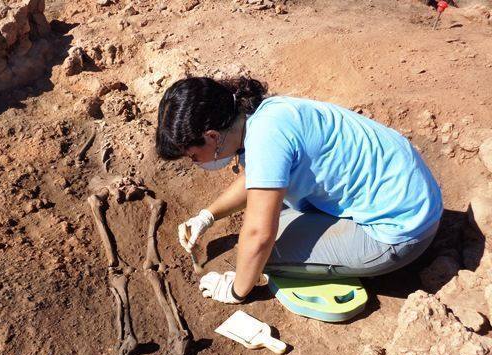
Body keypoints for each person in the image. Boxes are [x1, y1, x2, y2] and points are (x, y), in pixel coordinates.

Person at [155, 76, 443, 304]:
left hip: (401, 231)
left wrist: (236, 289)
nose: (194, 163)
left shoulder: (266, 140)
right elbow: (260, 175)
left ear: (212, 136)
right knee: (272, 220)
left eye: (193, 156)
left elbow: (258, 236)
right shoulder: (263, 115)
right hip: (412, 194)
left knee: (260, 253)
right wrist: (208, 215)